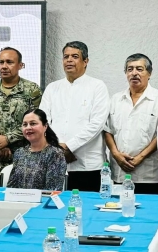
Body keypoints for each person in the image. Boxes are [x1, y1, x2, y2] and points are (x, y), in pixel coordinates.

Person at [39, 41, 110, 192]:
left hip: (88, 165)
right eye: (66, 57)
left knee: (87, 210)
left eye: (75, 56)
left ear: (86, 61)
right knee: (55, 209)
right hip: (54, 162)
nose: (69, 60)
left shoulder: (97, 86)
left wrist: (69, 145)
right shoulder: (52, 88)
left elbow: (97, 124)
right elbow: (43, 122)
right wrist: (57, 146)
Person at [104, 54, 158, 194]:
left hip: (149, 173)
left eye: (139, 69)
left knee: (150, 213)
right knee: (121, 211)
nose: (134, 73)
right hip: (120, 171)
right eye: (130, 69)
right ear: (126, 73)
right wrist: (116, 154)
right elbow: (107, 130)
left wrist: (140, 157)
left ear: (149, 73)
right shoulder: (115, 99)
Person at [0, 47, 42, 172]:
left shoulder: (32, 90)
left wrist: (7, 139)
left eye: (9, 62)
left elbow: (35, 123)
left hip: (23, 156)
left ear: (20, 65)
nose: (4, 66)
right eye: (1, 62)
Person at [7, 109, 66, 191]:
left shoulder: (55, 154)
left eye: (33, 123)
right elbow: (11, 187)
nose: (28, 127)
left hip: (43, 202)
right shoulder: (19, 153)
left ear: (45, 126)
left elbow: (52, 190)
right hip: (19, 202)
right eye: (25, 124)